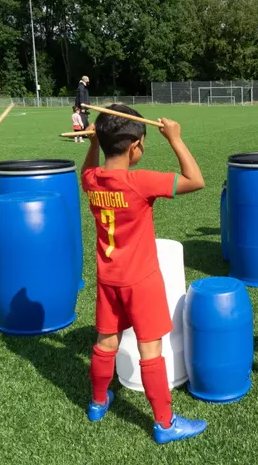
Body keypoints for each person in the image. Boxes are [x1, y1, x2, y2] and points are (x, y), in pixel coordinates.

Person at [80, 104, 207, 444]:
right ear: (135, 145)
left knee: (106, 343)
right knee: (151, 352)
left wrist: (93, 145)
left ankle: (97, 402)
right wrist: (176, 140)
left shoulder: (91, 180)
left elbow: (87, 170)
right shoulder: (140, 182)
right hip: (141, 281)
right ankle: (165, 425)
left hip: (109, 280)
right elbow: (196, 180)